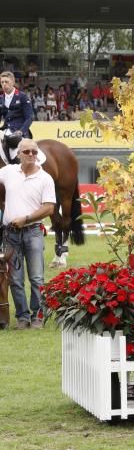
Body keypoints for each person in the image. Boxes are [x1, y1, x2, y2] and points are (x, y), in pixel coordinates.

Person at [0, 139, 55, 329]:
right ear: (18, 154)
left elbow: (49, 208)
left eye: (34, 152)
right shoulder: (7, 172)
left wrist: (26, 218)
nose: (31, 155)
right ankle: (22, 317)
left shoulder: (45, 178)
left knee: (37, 277)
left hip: (33, 232)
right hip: (11, 234)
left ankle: (38, 316)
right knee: (15, 279)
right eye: (27, 152)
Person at [0, 71, 35, 164]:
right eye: (2, 82)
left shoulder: (22, 96)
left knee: (17, 156)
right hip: (6, 130)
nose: (4, 84)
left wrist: (21, 131)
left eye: (6, 82)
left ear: (13, 82)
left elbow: (29, 118)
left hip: (19, 132)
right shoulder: (1, 98)